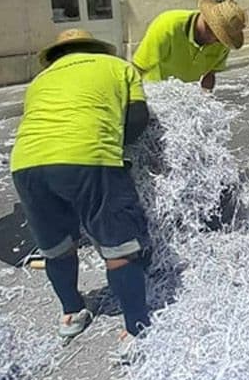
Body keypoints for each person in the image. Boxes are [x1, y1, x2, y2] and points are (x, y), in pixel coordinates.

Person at [10, 29, 155, 340]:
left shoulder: (39, 81)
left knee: (56, 247)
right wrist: (118, 151)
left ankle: (72, 313)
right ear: (95, 49)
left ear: (56, 56)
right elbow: (138, 118)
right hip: (88, 156)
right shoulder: (118, 67)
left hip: (26, 165)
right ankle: (136, 330)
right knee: (118, 246)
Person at [130, 0, 246, 91]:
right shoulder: (167, 26)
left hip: (186, 95)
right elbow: (137, 69)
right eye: (219, 38)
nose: (220, 44)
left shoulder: (223, 42)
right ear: (210, 27)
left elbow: (211, 72)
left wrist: (207, 98)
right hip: (155, 92)